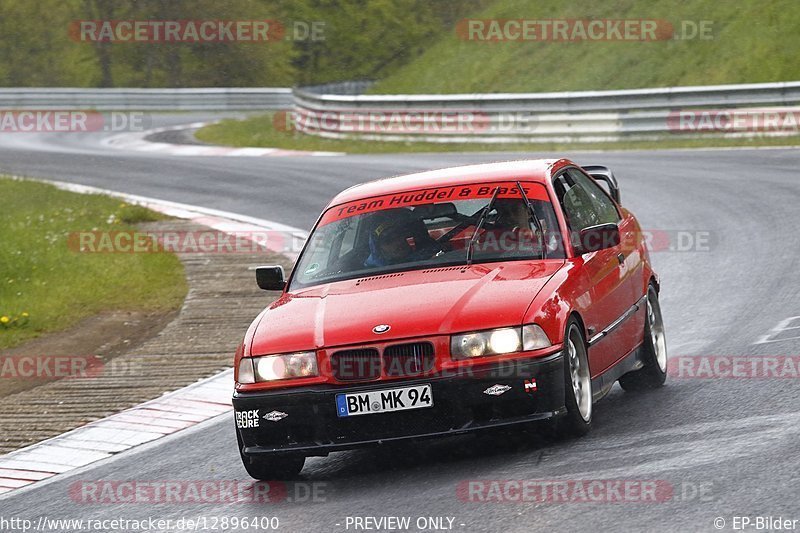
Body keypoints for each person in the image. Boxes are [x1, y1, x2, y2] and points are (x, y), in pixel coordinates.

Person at [363, 211, 437, 268]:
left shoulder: (433, 256)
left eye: (398, 236)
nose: (397, 243)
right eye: (388, 241)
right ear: (378, 248)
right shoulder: (369, 271)